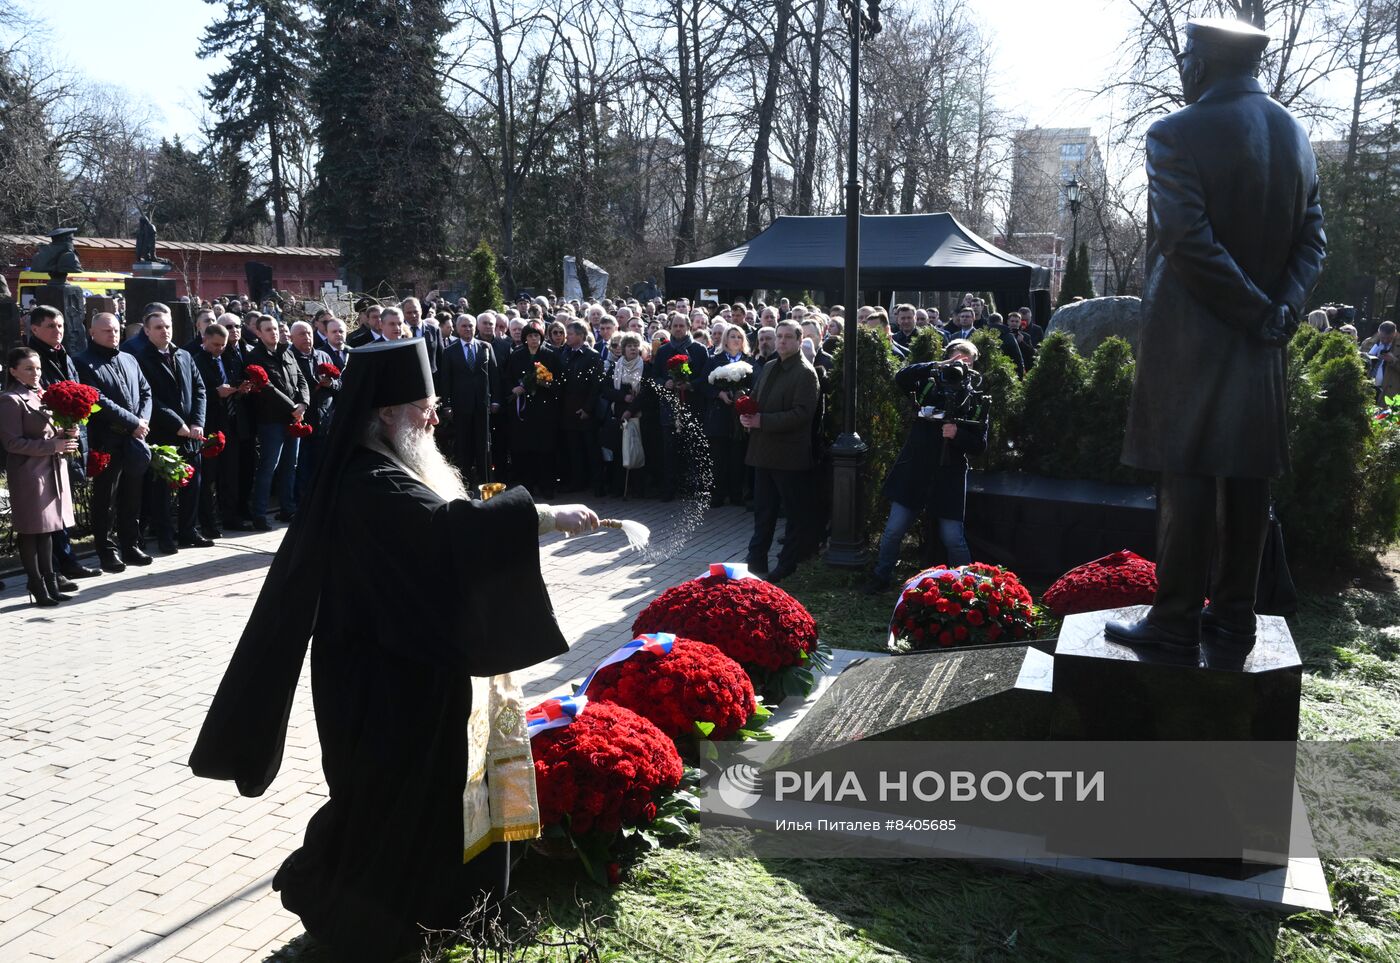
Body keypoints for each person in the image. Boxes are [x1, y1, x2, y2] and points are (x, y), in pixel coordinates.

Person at [189, 338, 599, 963]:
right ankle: (363, 925)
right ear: (384, 412)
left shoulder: (386, 467)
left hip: (411, 663)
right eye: (423, 404)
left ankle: (437, 912)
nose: (434, 416)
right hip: (380, 681)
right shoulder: (367, 478)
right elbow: (449, 534)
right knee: (388, 805)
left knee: (424, 801)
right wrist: (540, 515)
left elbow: (436, 549)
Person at [1110, 17, 1326, 661]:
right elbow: (1313, 240)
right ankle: (1235, 616)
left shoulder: (1174, 132)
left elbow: (1185, 238)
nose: (1181, 67)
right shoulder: (1296, 136)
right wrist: (1281, 309)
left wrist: (1256, 310)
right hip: (1262, 345)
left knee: (1189, 476)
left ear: (1201, 63)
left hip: (1196, 341)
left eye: (1185, 57)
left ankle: (1175, 618)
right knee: (1249, 475)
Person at [862, 340, 988, 593]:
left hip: (949, 474)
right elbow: (901, 378)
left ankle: (967, 588)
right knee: (893, 530)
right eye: (956, 360)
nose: (961, 367)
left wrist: (957, 435)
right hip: (916, 470)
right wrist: (935, 366)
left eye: (967, 362)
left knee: (953, 537)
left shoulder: (975, 400)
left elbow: (980, 445)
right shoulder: (929, 386)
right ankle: (881, 577)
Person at [741, 320, 819, 583]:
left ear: (799, 341)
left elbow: (802, 414)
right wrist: (745, 413)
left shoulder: (805, 373)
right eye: (779, 336)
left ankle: (787, 564)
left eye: (788, 337)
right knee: (764, 510)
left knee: (794, 514)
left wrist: (763, 421)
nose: (782, 341)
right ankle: (756, 560)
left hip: (789, 456)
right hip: (763, 452)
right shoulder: (771, 366)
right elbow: (756, 397)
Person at [27, 305, 101, 579]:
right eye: (50, 326)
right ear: (34, 329)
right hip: (47, 440)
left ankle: (67, 560)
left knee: (63, 504)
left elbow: (76, 389)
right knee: (49, 507)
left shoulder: (63, 354)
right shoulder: (33, 358)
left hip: (69, 437)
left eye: (60, 326)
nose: (57, 331)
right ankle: (53, 567)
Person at [1, 347, 80, 605]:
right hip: (28, 473)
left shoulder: (41, 394)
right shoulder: (10, 400)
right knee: (31, 531)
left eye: (37, 368)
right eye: (28, 369)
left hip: (51, 469)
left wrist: (66, 433)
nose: (36, 373)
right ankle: (35, 583)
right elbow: (13, 443)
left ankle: (50, 580)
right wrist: (51, 446)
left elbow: (48, 432)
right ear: (13, 371)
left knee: (48, 529)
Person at [77, 312, 153, 571]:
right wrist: (134, 423)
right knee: (105, 498)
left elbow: (145, 391)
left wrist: (142, 421)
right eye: (107, 331)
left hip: (134, 439)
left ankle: (130, 544)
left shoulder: (129, 359)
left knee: (133, 495)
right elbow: (98, 399)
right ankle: (107, 550)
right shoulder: (83, 362)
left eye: (117, 330)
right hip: (107, 440)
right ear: (93, 333)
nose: (114, 334)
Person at [132, 303, 209, 553]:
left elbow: (199, 389)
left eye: (168, 326)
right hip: (164, 434)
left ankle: (188, 531)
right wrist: (178, 424)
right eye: (158, 327)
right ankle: (165, 536)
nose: (164, 331)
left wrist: (197, 422)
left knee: (193, 484)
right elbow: (149, 397)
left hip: (192, 433)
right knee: (162, 490)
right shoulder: (141, 359)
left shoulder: (184, 355)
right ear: (146, 330)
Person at [246, 313, 310, 529]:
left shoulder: (287, 353)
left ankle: (288, 509)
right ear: (258, 332)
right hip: (271, 420)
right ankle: (259, 514)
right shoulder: (255, 356)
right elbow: (267, 388)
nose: (274, 333)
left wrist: (303, 404)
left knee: (290, 466)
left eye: (275, 328)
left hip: (294, 418)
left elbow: (301, 380)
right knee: (269, 467)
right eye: (268, 329)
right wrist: (293, 408)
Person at [191, 321, 252, 538]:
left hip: (231, 423)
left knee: (230, 473)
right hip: (210, 425)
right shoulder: (196, 361)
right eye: (215, 344)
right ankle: (208, 522)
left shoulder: (226, 358)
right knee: (209, 476)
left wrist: (239, 389)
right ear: (205, 340)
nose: (219, 349)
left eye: (223, 345)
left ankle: (230, 516)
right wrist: (216, 392)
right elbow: (195, 393)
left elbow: (231, 383)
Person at [651, 313, 709, 501]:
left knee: (694, 449)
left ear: (688, 327)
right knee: (669, 451)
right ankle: (669, 488)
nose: (678, 329)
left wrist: (690, 385)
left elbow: (705, 377)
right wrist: (665, 382)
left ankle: (694, 488)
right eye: (674, 325)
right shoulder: (664, 350)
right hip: (670, 408)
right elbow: (654, 376)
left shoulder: (699, 349)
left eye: (681, 326)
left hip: (693, 406)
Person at [441, 313, 501, 489]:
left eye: (471, 326)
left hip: (482, 405)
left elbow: (495, 376)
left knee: (483, 444)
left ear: (475, 328)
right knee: (463, 445)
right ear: (458, 328)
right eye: (464, 326)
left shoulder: (485, 347)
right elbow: (445, 380)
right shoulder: (449, 351)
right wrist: (447, 404)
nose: (468, 329)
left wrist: (496, 400)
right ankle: (465, 482)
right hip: (461, 406)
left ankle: (485, 482)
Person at [505, 320, 563, 497]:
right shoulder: (516, 355)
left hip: (544, 410)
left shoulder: (551, 355)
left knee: (545, 449)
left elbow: (559, 382)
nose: (533, 339)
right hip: (523, 411)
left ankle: (547, 486)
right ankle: (527, 486)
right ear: (525, 338)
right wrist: (514, 388)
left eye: (536, 336)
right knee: (525, 449)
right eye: (530, 336)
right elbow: (507, 377)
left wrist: (545, 383)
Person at [290, 321, 340, 502]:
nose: (307, 338)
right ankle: (302, 501)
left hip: (324, 419)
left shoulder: (323, 355)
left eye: (309, 333)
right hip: (303, 419)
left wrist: (331, 383)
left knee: (323, 463)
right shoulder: (289, 357)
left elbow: (340, 384)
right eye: (302, 334)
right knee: (302, 465)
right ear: (292, 338)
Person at [704, 325, 753, 508]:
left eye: (739, 337)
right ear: (725, 340)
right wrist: (719, 394)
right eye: (732, 336)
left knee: (737, 457)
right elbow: (704, 384)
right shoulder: (714, 360)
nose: (736, 340)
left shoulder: (749, 361)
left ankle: (736, 495)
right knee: (718, 458)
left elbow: (756, 383)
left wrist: (743, 394)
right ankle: (717, 495)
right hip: (719, 416)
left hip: (739, 417)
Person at [558, 320, 602, 494]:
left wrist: (588, 409)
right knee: (573, 449)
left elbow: (595, 386)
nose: (567, 337)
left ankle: (597, 484)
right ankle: (578, 482)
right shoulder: (565, 353)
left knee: (591, 448)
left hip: (585, 410)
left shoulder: (592, 355)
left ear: (581, 335)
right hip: (568, 409)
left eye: (570, 334)